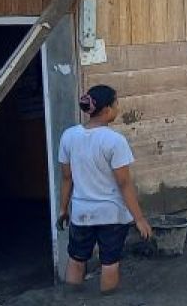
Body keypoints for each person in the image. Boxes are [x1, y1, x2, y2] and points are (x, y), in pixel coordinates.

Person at [58, 85, 152, 293]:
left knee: (76, 259)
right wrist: (139, 218)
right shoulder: (115, 141)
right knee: (109, 263)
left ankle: (69, 304)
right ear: (108, 109)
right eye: (116, 103)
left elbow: (67, 178)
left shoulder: (69, 136)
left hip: (81, 214)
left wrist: (63, 209)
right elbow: (124, 183)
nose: (118, 107)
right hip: (112, 215)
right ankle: (107, 303)